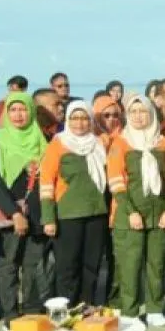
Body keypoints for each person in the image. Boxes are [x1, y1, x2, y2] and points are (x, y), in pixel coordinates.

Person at [107, 94, 165, 326]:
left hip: (159, 215)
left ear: (151, 114)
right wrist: (131, 211)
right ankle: (130, 311)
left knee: (157, 264)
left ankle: (155, 309)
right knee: (130, 265)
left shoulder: (163, 143)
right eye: (133, 112)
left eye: (143, 111)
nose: (138, 116)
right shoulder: (120, 143)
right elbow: (115, 180)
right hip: (129, 216)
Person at [0, 91, 49, 329]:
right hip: (10, 212)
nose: (18, 114)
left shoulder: (40, 140)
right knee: (9, 265)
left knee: (33, 264)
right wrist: (14, 213)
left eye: (22, 109)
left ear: (31, 111)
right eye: (13, 109)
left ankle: (32, 310)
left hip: (37, 211)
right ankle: (10, 314)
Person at [40, 100, 109, 306]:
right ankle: (67, 309)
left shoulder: (99, 144)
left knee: (92, 264)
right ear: (68, 120)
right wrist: (48, 218)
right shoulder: (58, 144)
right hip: (68, 215)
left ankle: (86, 306)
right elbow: (46, 183)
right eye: (74, 118)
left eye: (84, 118)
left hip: (97, 213)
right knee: (68, 266)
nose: (80, 123)